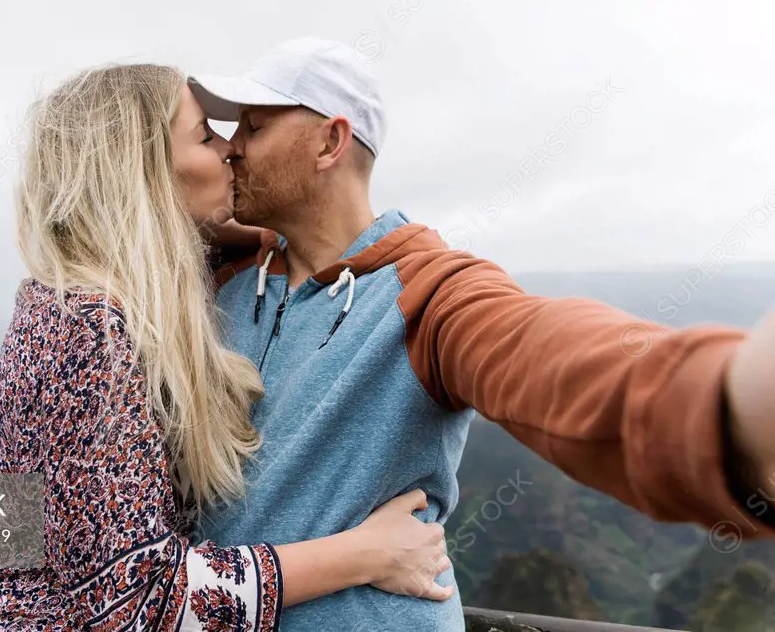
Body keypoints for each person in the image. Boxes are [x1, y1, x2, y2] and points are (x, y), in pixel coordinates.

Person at [179, 37, 775, 631]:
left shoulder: (433, 293)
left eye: (253, 128)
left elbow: (539, 349)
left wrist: (729, 398)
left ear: (330, 143)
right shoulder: (221, 273)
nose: (231, 149)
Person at [0, 64, 454, 631]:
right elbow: (138, 605)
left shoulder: (71, 299)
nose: (228, 152)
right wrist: (365, 554)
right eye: (205, 135)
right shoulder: (90, 328)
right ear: (143, 172)